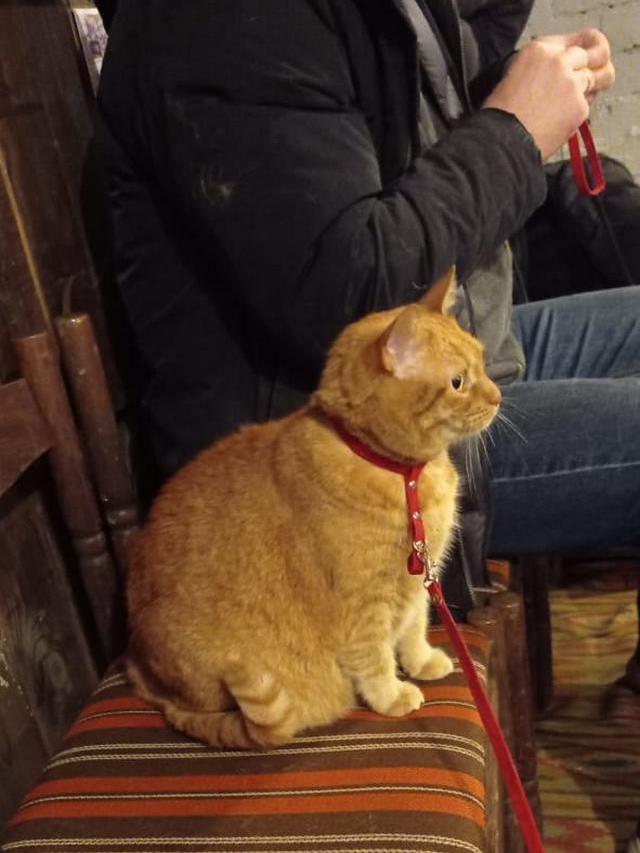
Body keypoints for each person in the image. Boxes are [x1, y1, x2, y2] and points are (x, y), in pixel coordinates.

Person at [94, 0, 638, 559]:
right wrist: (516, 133)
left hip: (448, 355)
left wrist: (526, 91)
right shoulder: (223, 22)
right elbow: (348, 293)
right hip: (336, 463)